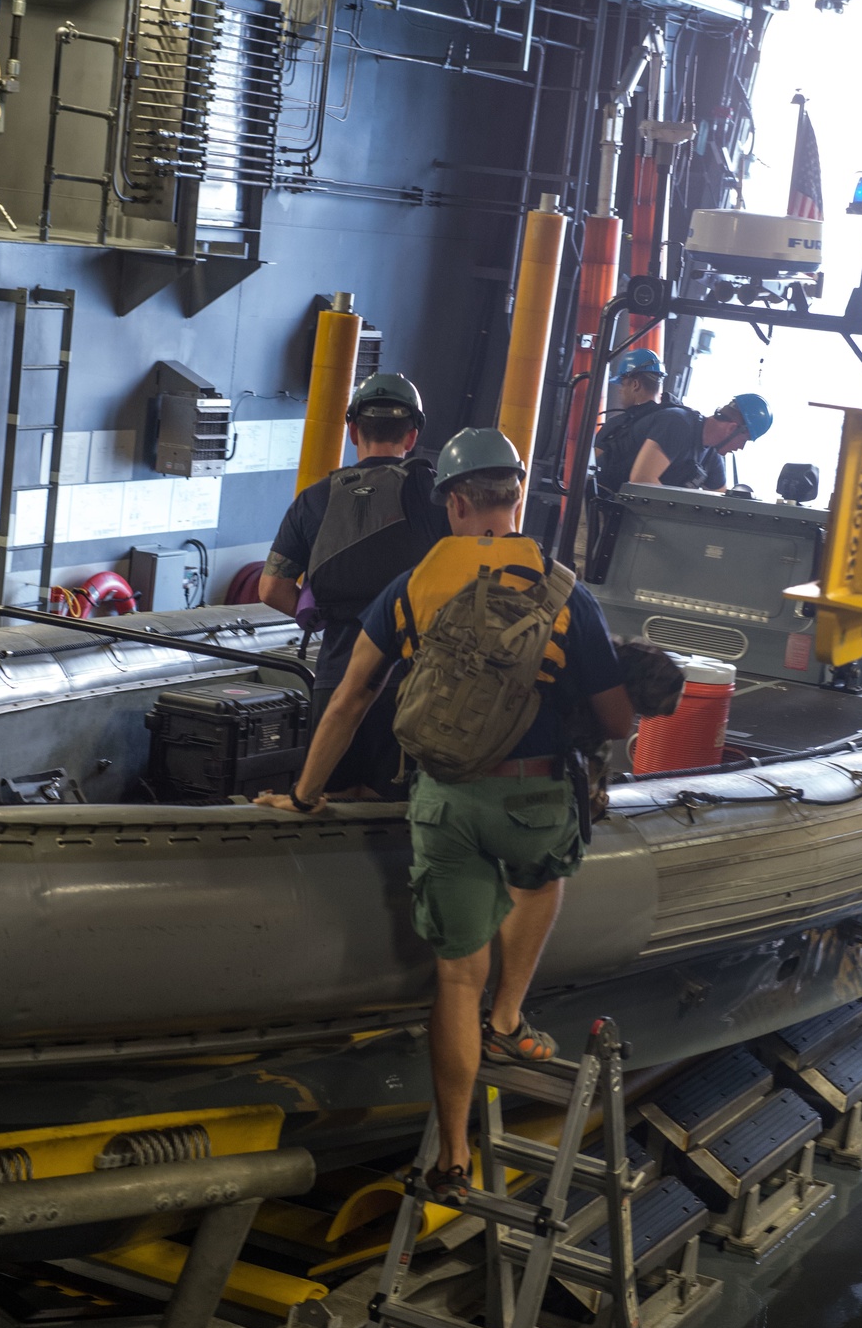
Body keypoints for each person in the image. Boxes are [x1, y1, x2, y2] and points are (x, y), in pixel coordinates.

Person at [257, 427, 632, 1204]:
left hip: (445, 798)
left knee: (451, 980)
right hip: (532, 795)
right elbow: (617, 719)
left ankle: (453, 1156)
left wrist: (302, 795)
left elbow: (351, 695)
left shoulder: (416, 583)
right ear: (515, 498)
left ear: (456, 503)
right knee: (541, 878)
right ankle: (511, 1015)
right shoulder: (564, 589)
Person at [258, 372, 449, 798]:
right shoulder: (436, 495)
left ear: (352, 430)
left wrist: (325, 617)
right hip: (415, 682)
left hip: (338, 676)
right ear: (412, 436)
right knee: (399, 812)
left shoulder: (313, 499)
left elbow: (271, 588)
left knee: (327, 803)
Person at [594, 347, 724, 494]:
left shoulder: (616, 425)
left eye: (623, 384)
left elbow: (589, 472)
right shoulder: (680, 421)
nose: (620, 390)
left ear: (635, 384)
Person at [627, 391, 773, 490]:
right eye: (745, 440)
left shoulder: (712, 456)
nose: (741, 448)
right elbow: (642, 480)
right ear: (732, 429)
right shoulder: (678, 424)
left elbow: (721, 502)